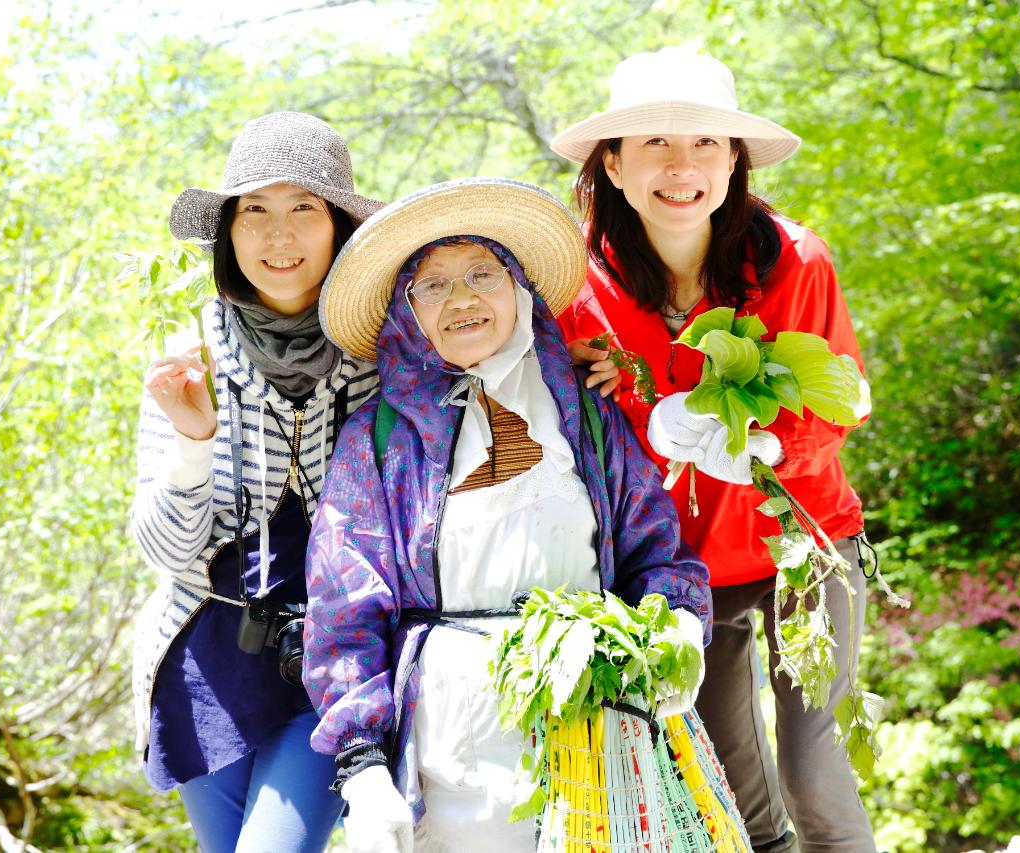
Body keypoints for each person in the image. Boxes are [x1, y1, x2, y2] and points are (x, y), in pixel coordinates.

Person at [301, 178, 714, 853]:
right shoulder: (378, 440)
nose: (461, 298)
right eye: (431, 285)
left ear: (518, 288)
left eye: (481, 273)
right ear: (407, 312)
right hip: (452, 747)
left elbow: (656, 549)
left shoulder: (585, 409)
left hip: (600, 722)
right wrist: (362, 766)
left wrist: (681, 624)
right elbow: (344, 608)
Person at [551, 48, 877, 853]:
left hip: (803, 540)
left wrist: (763, 444)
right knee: (731, 792)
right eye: (654, 144)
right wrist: (641, 412)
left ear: (734, 160)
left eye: (704, 143)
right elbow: (570, 435)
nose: (681, 166)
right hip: (682, 569)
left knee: (816, 774)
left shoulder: (794, 261)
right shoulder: (577, 286)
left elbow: (836, 403)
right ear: (614, 166)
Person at [129, 111, 384, 852]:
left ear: (338, 225)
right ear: (229, 234)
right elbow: (167, 554)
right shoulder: (191, 355)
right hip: (208, 655)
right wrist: (193, 438)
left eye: (304, 209)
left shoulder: (382, 355)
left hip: (337, 657)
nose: (280, 237)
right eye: (255, 211)